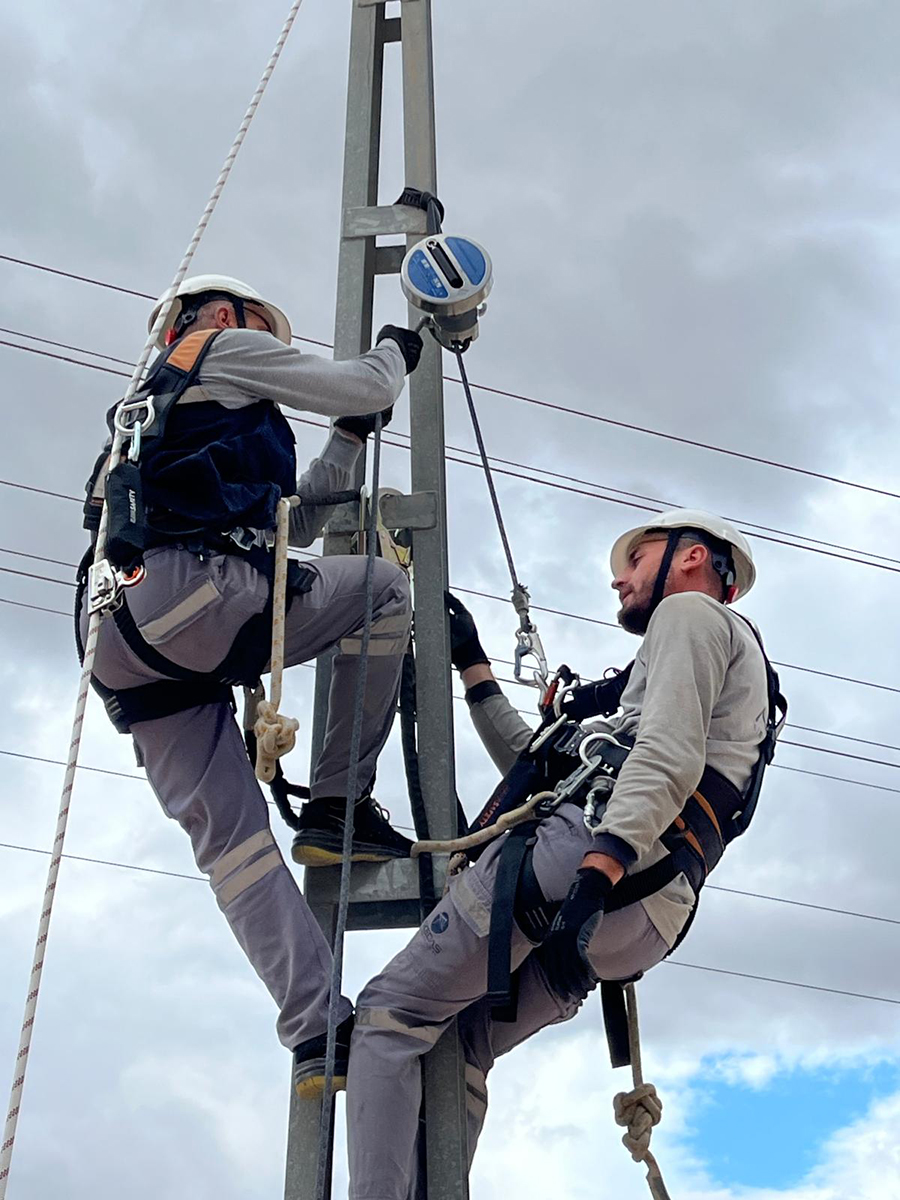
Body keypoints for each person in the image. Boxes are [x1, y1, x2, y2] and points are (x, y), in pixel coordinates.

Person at [347, 509, 777, 1197]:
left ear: (694, 557)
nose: (619, 578)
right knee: (464, 1044)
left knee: (388, 1014)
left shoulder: (690, 619)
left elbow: (665, 757)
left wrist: (595, 873)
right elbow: (543, 760)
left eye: (636, 560)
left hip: (589, 865)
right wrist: (475, 666)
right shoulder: (722, 676)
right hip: (646, 919)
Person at [78, 273, 423, 1095]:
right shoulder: (220, 346)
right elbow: (369, 381)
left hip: (119, 638)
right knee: (380, 588)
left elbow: (287, 525)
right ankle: (339, 803)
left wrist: (346, 439)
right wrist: (394, 355)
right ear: (228, 315)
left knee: (231, 849)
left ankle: (316, 1031)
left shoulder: (148, 417)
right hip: (192, 595)